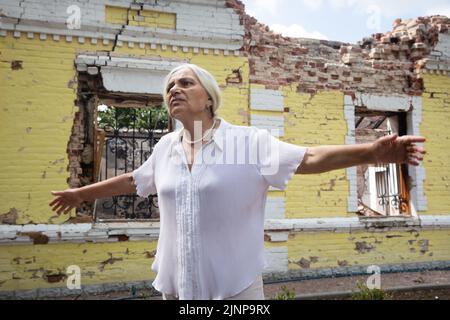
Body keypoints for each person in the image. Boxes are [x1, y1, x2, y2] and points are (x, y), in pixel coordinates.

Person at [49, 64, 426, 300]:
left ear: (209, 98)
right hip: (177, 286)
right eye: (169, 88)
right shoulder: (166, 147)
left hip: (235, 288)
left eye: (185, 83)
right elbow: (134, 181)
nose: (174, 91)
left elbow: (307, 157)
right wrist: (79, 194)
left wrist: (369, 154)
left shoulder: (247, 142)